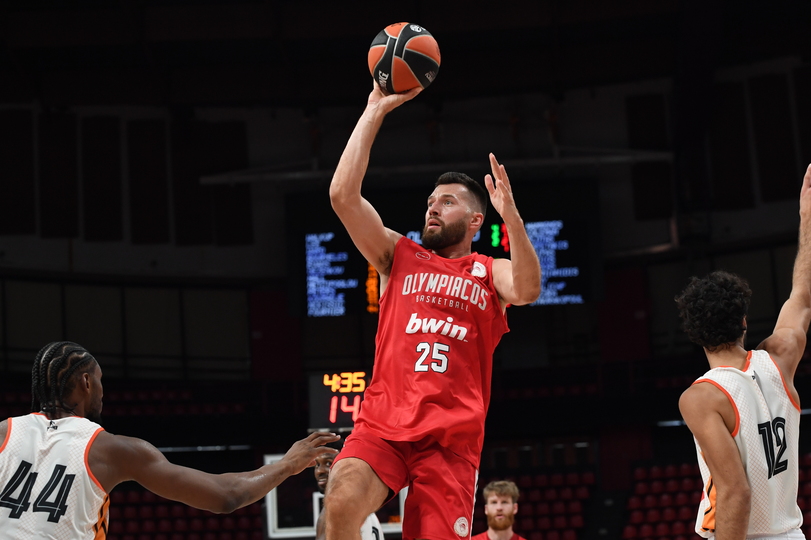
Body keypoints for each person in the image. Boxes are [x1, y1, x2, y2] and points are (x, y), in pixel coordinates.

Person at [325, 82, 541, 540]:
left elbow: (527, 288)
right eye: (430, 202)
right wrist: (373, 111)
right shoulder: (398, 255)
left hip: (450, 442)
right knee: (340, 504)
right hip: (382, 426)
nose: (433, 209)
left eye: (447, 202)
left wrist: (513, 218)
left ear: (476, 220)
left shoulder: (488, 271)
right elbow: (343, 196)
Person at [0, 341, 340, 539]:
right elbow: (226, 496)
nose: (103, 391)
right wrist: (288, 464)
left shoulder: (4, 433)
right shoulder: (111, 449)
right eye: (101, 381)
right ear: (87, 383)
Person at [674, 164, 811, 540]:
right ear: (744, 322)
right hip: (791, 533)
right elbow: (802, 297)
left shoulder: (701, 398)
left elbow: (736, 492)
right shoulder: (781, 358)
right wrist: (806, 218)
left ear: (694, 334)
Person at [314, 447, 383, 540]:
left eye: (328, 463)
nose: (319, 471)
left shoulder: (334, 510)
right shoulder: (366, 509)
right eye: (317, 465)